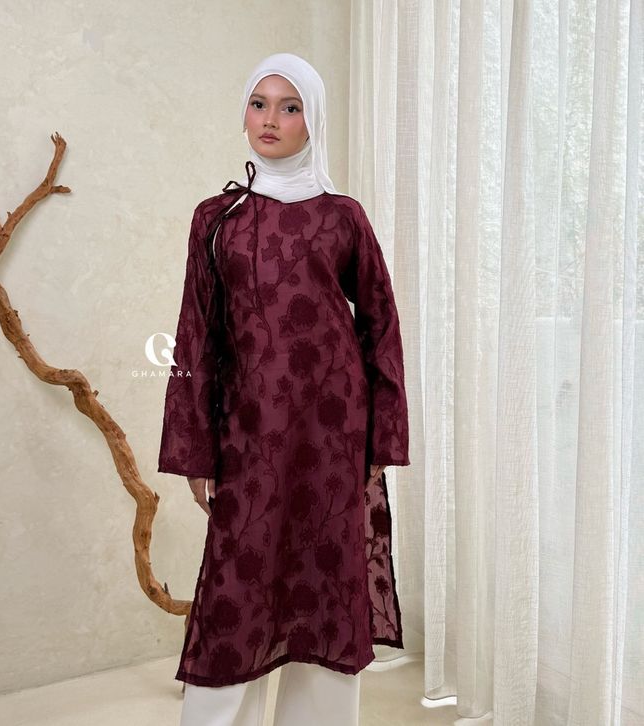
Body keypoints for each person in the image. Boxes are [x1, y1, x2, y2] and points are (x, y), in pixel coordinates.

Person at [157, 52, 411, 726]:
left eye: (290, 106)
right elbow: (195, 336)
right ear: (244, 114)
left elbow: (381, 325)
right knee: (236, 600)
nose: (271, 119)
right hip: (249, 437)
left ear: (312, 120)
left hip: (332, 439)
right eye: (259, 103)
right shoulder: (217, 218)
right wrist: (195, 452)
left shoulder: (343, 218)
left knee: (323, 599)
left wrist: (381, 440)